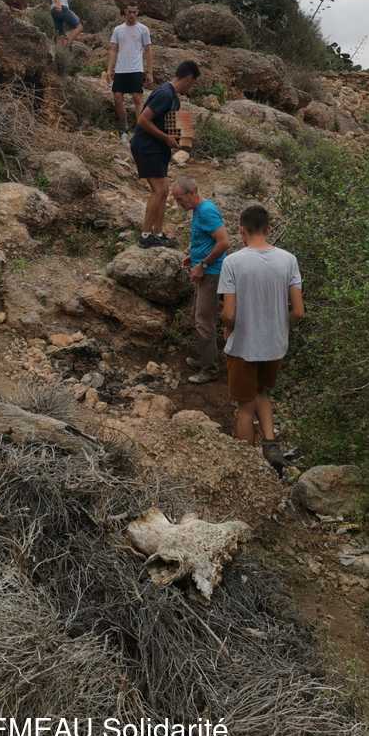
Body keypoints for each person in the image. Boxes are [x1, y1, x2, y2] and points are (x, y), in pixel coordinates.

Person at [218, 204, 304, 472]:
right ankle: (270, 444)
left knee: (245, 407)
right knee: (262, 392)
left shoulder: (233, 262)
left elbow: (228, 313)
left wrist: (227, 329)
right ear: (268, 229)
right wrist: (278, 325)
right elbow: (298, 311)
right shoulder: (288, 260)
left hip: (244, 345)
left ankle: (246, 469)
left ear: (241, 230)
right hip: (275, 345)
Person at [130, 61, 201, 249]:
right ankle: (146, 236)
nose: (191, 87)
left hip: (158, 148)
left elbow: (171, 127)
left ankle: (158, 233)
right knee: (159, 190)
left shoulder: (174, 98)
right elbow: (142, 120)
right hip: (146, 146)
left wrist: (182, 138)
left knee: (164, 190)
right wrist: (165, 137)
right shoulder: (165, 93)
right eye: (192, 83)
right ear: (188, 78)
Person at [172, 179, 230, 383]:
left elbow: (224, 242)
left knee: (204, 321)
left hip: (211, 273)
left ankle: (210, 369)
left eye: (180, 199)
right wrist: (193, 257)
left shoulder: (206, 211)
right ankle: (205, 359)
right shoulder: (197, 210)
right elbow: (208, 240)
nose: (178, 204)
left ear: (192, 193)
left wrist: (202, 265)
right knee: (199, 316)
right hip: (205, 271)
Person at [107, 4, 153, 144]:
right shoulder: (118, 29)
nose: (132, 14)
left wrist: (149, 71)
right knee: (117, 97)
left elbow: (148, 50)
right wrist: (109, 69)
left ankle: (140, 132)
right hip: (121, 69)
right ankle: (124, 130)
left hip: (136, 68)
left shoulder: (143, 29)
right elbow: (113, 49)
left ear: (137, 12)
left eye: (134, 12)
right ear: (125, 12)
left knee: (137, 99)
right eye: (129, 12)